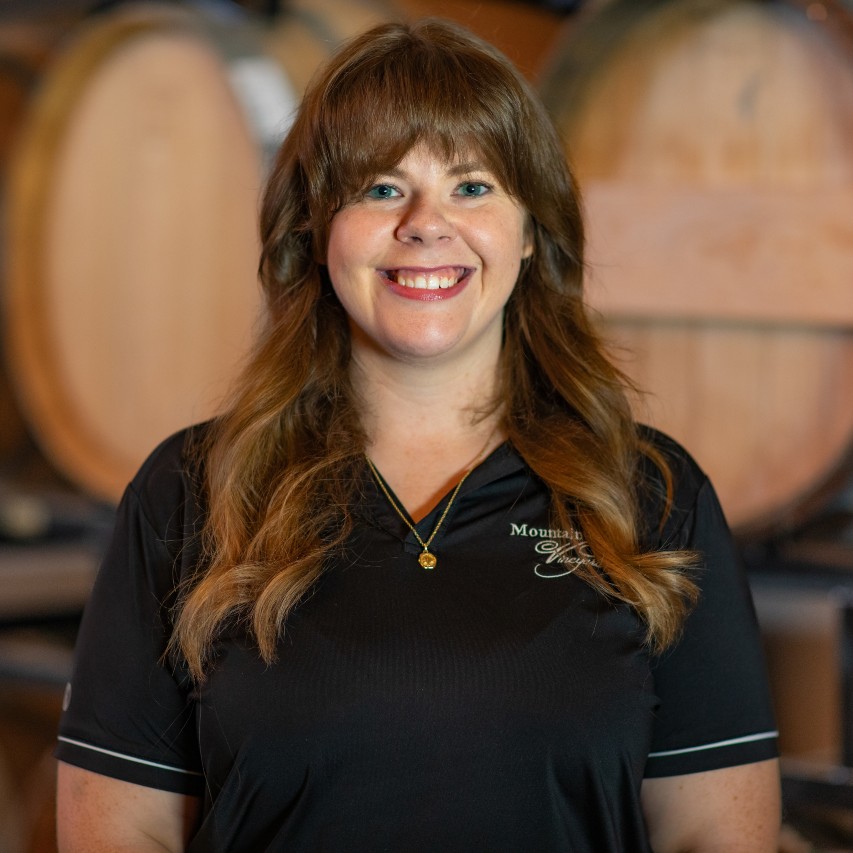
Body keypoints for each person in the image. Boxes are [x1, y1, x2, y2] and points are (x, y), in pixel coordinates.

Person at [54, 18, 781, 853]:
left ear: (531, 232)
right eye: (379, 188)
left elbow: (713, 838)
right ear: (314, 233)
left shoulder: (649, 490)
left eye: (472, 187)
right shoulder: (192, 486)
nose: (426, 225)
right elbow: (121, 833)